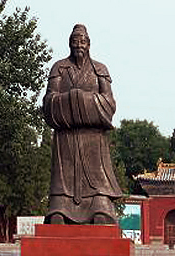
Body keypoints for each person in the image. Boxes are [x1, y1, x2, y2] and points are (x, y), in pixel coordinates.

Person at [43, 24, 122, 225]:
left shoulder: (99, 69)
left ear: (89, 44)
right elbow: (49, 102)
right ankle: (60, 207)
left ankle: (100, 206)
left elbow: (109, 104)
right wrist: (73, 101)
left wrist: (80, 101)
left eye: (83, 41)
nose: (79, 44)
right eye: (75, 41)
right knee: (62, 187)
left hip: (94, 139)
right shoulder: (59, 68)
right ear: (69, 43)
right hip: (65, 138)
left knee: (98, 187)